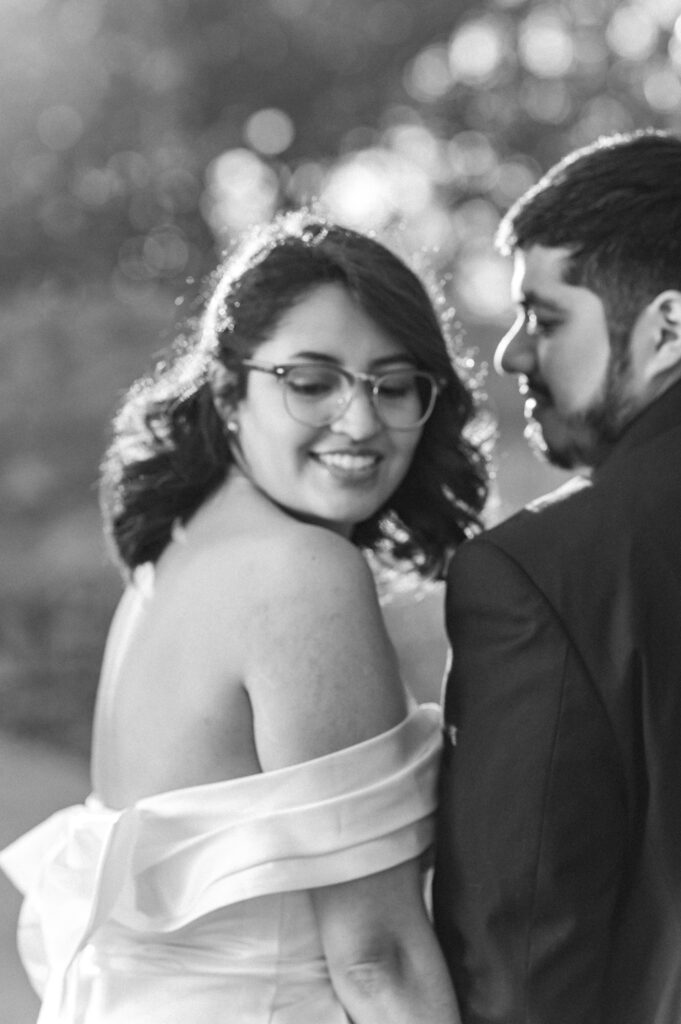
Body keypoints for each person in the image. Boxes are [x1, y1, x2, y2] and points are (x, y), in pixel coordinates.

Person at [0, 210, 488, 1024]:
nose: (360, 421)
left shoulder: (176, 555)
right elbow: (377, 958)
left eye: (392, 384)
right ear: (228, 392)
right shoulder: (299, 572)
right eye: (311, 381)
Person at [433, 129, 681, 1024]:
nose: (509, 356)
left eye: (544, 318)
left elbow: (523, 956)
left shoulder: (538, 575)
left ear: (667, 329)